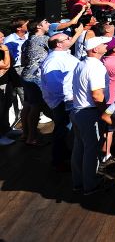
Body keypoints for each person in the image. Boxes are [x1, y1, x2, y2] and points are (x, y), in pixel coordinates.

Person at [70, 36, 112, 195]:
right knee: (91, 150)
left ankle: (78, 182)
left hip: (77, 111)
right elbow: (97, 95)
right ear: (95, 49)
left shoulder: (81, 64)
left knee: (79, 147)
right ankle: (90, 185)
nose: (106, 45)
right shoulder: (96, 67)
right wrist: (105, 113)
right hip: (89, 113)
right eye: (103, 44)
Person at [39, 26, 85, 168]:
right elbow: (54, 86)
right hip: (64, 102)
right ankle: (59, 161)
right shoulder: (53, 61)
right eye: (67, 38)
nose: (70, 38)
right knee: (63, 130)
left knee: (65, 130)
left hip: (68, 99)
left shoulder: (64, 55)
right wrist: (69, 98)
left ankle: (64, 155)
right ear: (59, 44)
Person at [18, 18, 51, 147]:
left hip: (26, 75)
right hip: (35, 78)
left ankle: (25, 134)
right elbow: (65, 44)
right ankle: (32, 138)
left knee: (27, 105)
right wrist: (78, 33)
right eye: (46, 22)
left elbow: (23, 61)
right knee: (36, 107)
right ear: (38, 26)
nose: (48, 24)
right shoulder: (42, 39)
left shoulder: (27, 41)